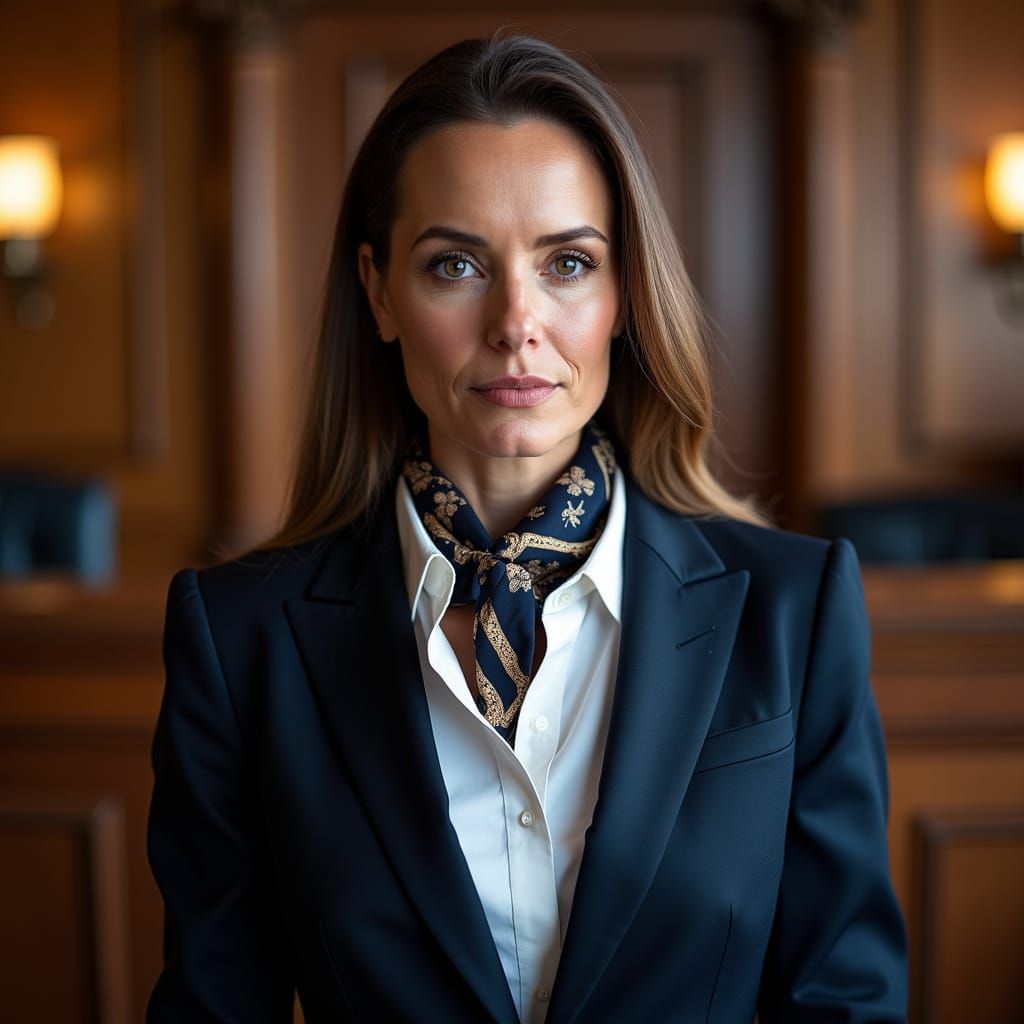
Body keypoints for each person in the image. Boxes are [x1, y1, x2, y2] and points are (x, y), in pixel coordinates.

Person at [146, 33, 908, 1024]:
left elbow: (844, 999)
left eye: (567, 262)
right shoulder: (239, 636)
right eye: (455, 263)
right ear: (379, 291)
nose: (517, 320)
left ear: (622, 291)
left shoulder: (793, 610)